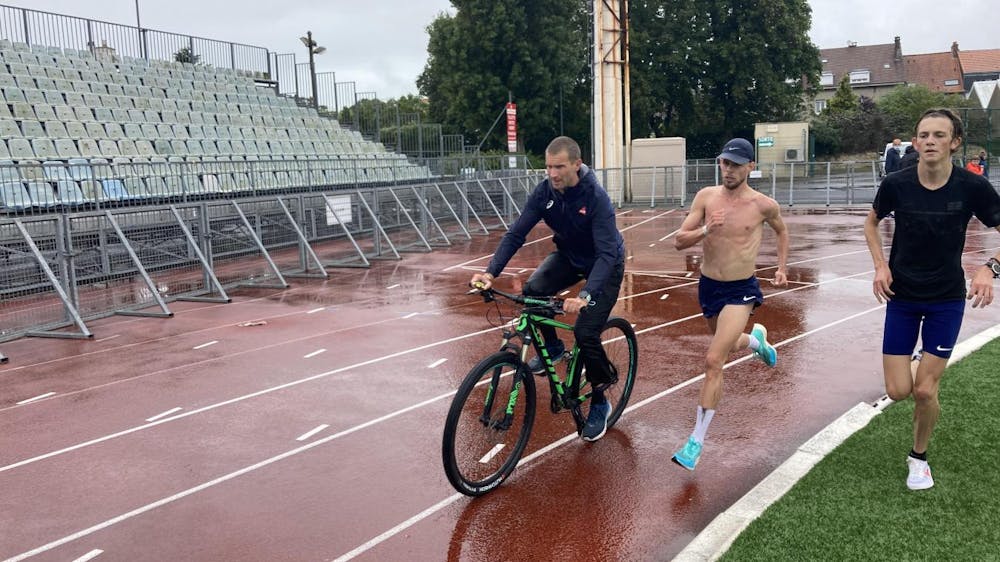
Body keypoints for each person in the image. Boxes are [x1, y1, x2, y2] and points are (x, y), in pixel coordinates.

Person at [864, 108, 1000, 491]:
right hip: (902, 296)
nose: (929, 141)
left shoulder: (971, 187)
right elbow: (871, 223)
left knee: (924, 390)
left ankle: (918, 458)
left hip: (945, 298)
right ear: (914, 141)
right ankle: (923, 361)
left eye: (939, 135)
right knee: (898, 391)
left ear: (954, 142)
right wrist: (879, 266)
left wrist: (989, 269)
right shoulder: (896, 183)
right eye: (923, 135)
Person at [469, 136, 626, 442]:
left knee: (585, 333)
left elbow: (607, 254)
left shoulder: (596, 197)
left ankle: (600, 399)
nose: (552, 173)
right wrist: (490, 273)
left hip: (604, 265)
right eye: (548, 166)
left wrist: (584, 296)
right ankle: (553, 347)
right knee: (533, 291)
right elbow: (516, 234)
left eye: (559, 167)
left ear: (577, 165)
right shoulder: (544, 192)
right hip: (570, 257)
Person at [670, 138, 790, 471]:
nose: (728, 170)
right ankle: (756, 341)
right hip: (709, 286)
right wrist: (707, 229)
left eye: (736, 164)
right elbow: (680, 241)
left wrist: (781, 267)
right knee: (727, 342)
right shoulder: (706, 198)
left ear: (750, 166)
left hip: (742, 289)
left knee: (713, 359)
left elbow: (782, 231)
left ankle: (695, 442)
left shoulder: (763, 205)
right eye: (724, 163)